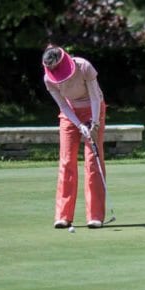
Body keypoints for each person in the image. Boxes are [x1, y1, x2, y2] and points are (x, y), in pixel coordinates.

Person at [42, 45, 106, 229]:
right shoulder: (49, 79)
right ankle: (63, 215)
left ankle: (95, 216)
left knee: (92, 160)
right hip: (70, 114)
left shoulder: (84, 66)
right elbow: (63, 105)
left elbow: (95, 97)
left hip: (94, 109)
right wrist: (79, 125)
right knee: (67, 161)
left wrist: (93, 124)